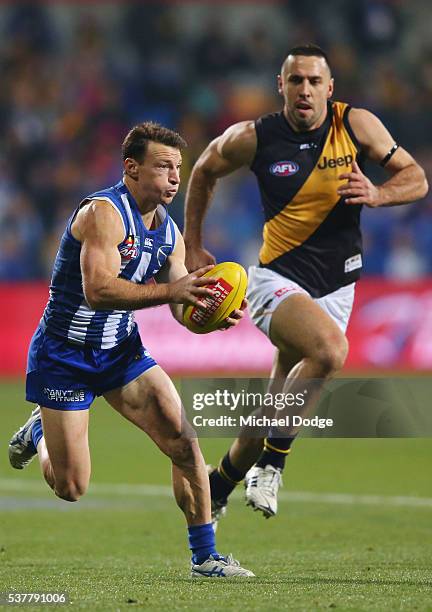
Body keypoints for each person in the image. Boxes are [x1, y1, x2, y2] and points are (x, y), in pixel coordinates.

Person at [183, 44, 428, 527]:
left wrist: (378, 193)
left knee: (277, 405)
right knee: (332, 352)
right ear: (281, 86)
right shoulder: (254, 137)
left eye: (315, 81)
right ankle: (274, 465)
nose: (305, 90)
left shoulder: (356, 125)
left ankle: (219, 485)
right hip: (276, 281)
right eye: (296, 80)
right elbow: (204, 169)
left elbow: (416, 178)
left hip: (338, 288)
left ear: (329, 88)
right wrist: (193, 245)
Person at [8, 122, 254, 578]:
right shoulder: (103, 214)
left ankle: (206, 557)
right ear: (131, 168)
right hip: (63, 356)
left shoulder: (169, 233)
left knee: (185, 443)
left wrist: (209, 313)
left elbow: (181, 306)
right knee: (71, 487)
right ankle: (38, 433)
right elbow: (99, 291)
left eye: (178, 168)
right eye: (163, 167)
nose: (175, 178)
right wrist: (175, 291)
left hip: (120, 351)